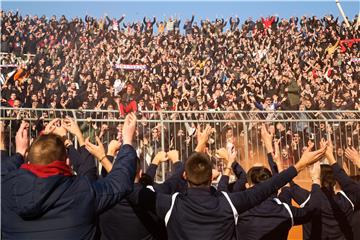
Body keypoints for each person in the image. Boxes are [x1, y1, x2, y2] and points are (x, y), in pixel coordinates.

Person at [132, 124, 327, 240]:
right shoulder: (227, 202)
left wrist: (127, 145)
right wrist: (299, 165)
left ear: (185, 177)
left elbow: (133, 189)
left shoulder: (170, 203)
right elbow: (265, 189)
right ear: (211, 178)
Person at [1, 113, 138, 239]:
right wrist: (127, 141)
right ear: (67, 161)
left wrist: (21, 151)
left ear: (30, 158)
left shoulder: (5, 188)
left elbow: (3, 170)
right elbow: (119, 181)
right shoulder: (81, 191)